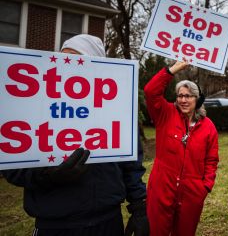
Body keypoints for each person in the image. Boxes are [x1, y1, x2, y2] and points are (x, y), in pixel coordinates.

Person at [3, 34, 148, 236]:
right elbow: (12, 167)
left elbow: (131, 163)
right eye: (65, 59)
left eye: (79, 60)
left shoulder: (116, 109)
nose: (69, 66)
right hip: (56, 225)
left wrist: (139, 205)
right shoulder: (35, 107)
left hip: (108, 221)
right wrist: (47, 175)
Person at [144, 61, 219, 235]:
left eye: (189, 96)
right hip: (162, 188)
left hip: (192, 194)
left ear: (197, 99)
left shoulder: (208, 127)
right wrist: (173, 69)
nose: (183, 100)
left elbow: (212, 160)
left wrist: (204, 187)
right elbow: (150, 91)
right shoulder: (165, 114)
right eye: (180, 95)